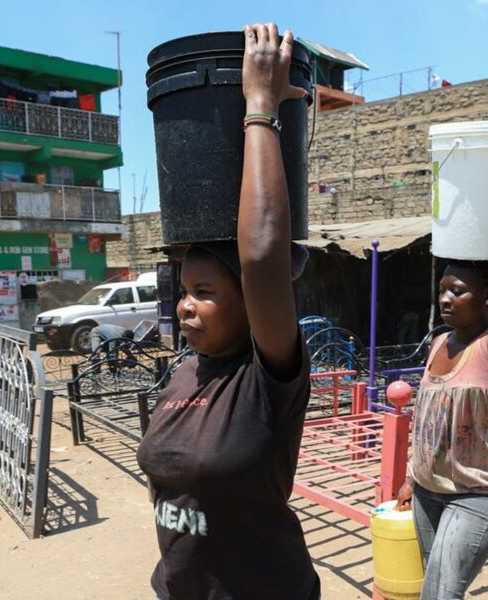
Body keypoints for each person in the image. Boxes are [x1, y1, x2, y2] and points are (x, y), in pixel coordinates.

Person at [136, 23, 320, 600]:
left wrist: (260, 105)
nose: (186, 307)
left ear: (253, 302)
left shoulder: (269, 376)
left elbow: (263, 256)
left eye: (207, 292)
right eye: (183, 291)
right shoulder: (183, 373)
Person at [395, 114, 488, 599]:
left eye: (459, 290)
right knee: (429, 590)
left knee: (440, 596)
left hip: (477, 497)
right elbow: (425, 422)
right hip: (428, 495)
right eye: (442, 290)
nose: (446, 299)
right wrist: (413, 479)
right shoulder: (438, 343)